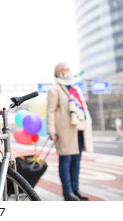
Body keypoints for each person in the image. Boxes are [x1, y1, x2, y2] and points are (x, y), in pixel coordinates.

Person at [46, 62, 93, 201]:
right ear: (60, 72)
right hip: (64, 131)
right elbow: (50, 111)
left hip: (78, 129)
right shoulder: (54, 89)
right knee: (66, 160)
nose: (68, 71)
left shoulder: (74, 88)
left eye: (69, 69)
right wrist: (51, 131)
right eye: (66, 69)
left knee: (76, 161)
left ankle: (75, 189)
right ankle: (67, 192)